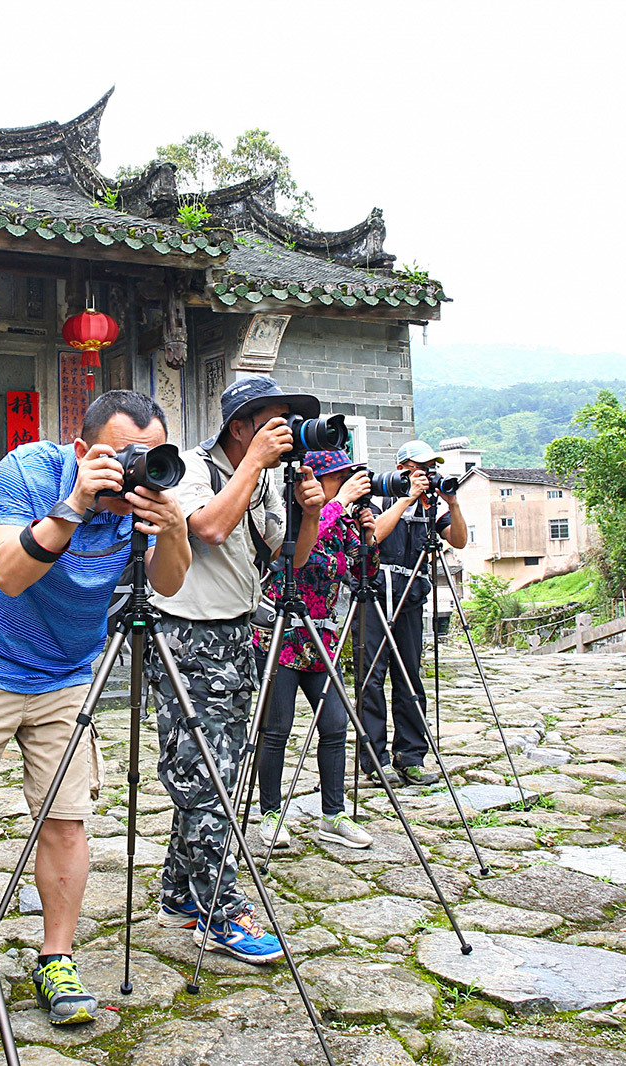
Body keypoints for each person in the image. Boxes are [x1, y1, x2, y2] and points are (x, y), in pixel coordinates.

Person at [0, 390, 190, 1033]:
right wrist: (77, 502)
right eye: (119, 456)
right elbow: (8, 573)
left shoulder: (142, 504)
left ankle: (56, 959)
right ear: (83, 450)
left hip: (66, 676)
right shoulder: (29, 471)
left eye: (149, 455)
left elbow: (169, 583)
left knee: (66, 821)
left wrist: (174, 530)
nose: (134, 469)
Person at [146, 376, 325, 965]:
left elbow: (287, 560)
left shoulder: (267, 482)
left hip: (235, 634)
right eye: (274, 421)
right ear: (242, 426)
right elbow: (209, 529)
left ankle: (180, 893)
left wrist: (307, 516)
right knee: (209, 779)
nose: (286, 434)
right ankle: (221, 911)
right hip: (186, 637)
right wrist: (253, 465)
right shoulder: (194, 468)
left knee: (218, 770)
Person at [252, 449, 380, 851]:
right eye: (337, 478)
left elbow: (364, 571)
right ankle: (270, 813)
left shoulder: (342, 523)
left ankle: (333, 814)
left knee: (335, 726)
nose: (344, 486)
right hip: (281, 638)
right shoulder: (291, 520)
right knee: (276, 729)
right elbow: (297, 554)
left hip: (322, 640)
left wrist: (368, 534)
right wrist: (336, 504)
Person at [360, 439, 468, 786]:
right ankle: (374, 760)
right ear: (403, 467)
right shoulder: (380, 494)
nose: (427, 475)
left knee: (409, 677)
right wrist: (407, 497)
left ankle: (411, 756)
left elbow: (460, 540)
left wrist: (452, 501)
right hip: (376, 594)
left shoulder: (432, 505)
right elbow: (374, 535)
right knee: (371, 679)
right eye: (420, 468)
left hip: (411, 598)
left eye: (431, 469)